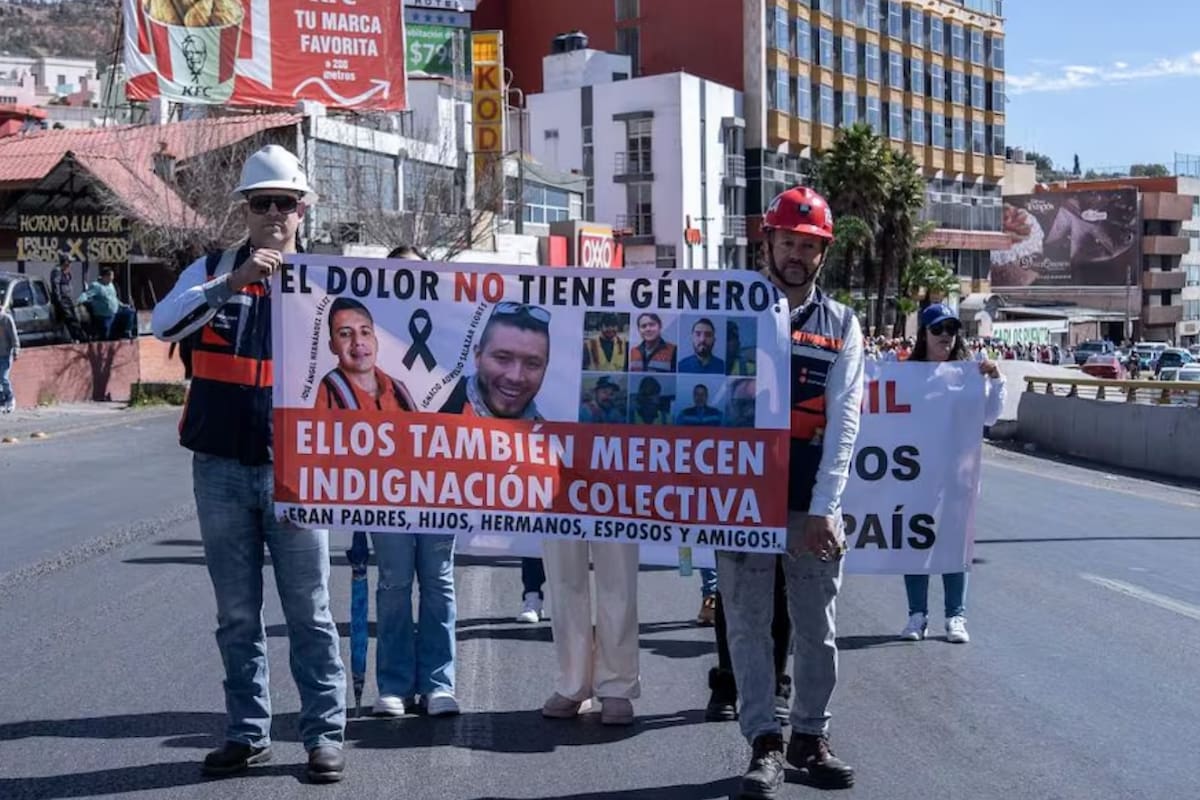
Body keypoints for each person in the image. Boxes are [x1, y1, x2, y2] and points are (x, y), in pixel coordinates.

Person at [150, 145, 346, 783]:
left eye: (283, 203)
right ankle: (247, 732)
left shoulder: (328, 283)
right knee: (237, 615)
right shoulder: (210, 271)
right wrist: (231, 283)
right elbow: (164, 327)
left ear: (302, 209)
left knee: (310, 612)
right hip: (221, 471)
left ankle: (324, 735)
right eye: (260, 203)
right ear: (245, 209)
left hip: (299, 474)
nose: (272, 214)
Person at [722, 186, 863, 797]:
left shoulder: (842, 325)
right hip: (739, 503)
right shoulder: (729, 310)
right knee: (748, 627)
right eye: (788, 242)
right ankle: (764, 742)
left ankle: (810, 734)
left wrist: (827, 509)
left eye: (809, 246)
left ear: (822, 253)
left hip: (808, 504)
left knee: (817, 628)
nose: (797, 255)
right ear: (768, 242)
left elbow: (845, 419)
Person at [438, 303, 553, 625]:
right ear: (477, 355)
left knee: (538, 513)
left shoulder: (546, 429)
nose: (515, 377)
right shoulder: (443, 411)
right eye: (502, 358)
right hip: (450, 540)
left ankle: (533, 594)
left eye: (532, 363)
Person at [899, 304, 1006, 646]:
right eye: (937, 329)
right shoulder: (906, 373)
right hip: (916, 475)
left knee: (955, 546)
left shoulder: (968, 374)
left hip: (958, 476)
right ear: (924, 334)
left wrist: (996, 380)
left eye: (951, 328)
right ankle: (917, 615)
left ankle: (955, 616)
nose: (945, 335)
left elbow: (989, 417)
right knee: (917, 544)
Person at [317, 298, 416, 411]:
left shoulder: (400, 391)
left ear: (376, 342)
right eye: (345, 334)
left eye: (365, 332)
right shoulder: (329, 391)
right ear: (332, 346)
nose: (358, 341)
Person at [50, 253, 87, 342]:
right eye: (69, 262)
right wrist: (59, 300)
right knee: (70, 319)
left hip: (68, 299)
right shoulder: (57, 271)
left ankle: (78, 336)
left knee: (75, 318)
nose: (70, 264)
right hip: (63, 300)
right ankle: (78, 337)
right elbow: (56, 286)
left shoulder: (66, 272)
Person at [78, 268, 122, 340]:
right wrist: (79, 301)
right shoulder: (96, 286)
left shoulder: (111, 285)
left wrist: (121, 304)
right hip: (103, 315)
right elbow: (86, 294)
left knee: (129, 313)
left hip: (114, 312)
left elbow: (114, 297)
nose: (112, 279)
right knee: (105, 333)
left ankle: (127, 333)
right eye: (110, 277)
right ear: (105, 276)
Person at [0, 304, 18, 413]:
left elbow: (14, 335)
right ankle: (2, 401)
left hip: (6, 354)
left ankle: (10, 398)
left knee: (3, 378)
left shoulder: (6, 319)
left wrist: (16, 349)